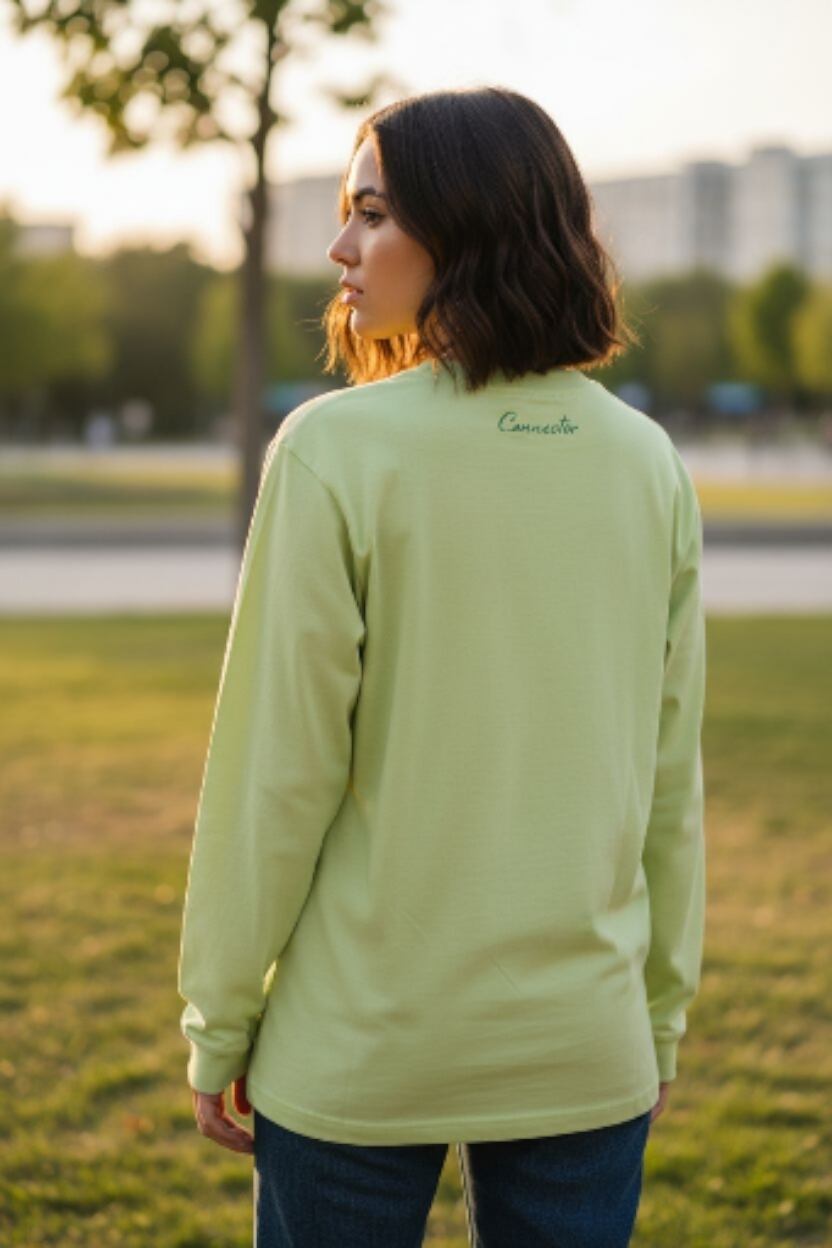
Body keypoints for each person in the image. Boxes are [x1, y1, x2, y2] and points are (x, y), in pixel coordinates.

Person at [178, 85, 706, 1247]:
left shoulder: (332, 450)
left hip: (359, 1048)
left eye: (372, 213)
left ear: (465, 228)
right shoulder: (647, 461)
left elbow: (275, 776)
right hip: (585, 1045)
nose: (340, 247)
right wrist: (658, 1019)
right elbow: (667, 779)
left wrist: (217, 1018)